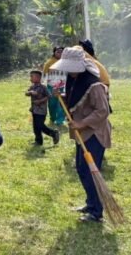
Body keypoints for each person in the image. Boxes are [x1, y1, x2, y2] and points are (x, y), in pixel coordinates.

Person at [51, 46, 111, 223]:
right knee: (81, 169)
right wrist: (59, 95)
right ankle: (90, 203)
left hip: (94, 133)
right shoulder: (73, 80)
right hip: (82, 134)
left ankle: (96, 211)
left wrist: (82, 123)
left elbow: (103, 111)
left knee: (90, 171)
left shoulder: (94, 85)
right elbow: (70, 103)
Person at [26, 70, 60, 146]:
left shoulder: (43, 87)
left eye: (32, 76)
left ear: (38, 78)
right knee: (35, 127)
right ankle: (38, 141)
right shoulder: (32, 87)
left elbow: (49, 96)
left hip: (41, 111)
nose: (30, 78)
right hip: (34, 110)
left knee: (40, 125)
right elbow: (26, 93)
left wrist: (40, 101)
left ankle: (53, 133)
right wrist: (30, 92)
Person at [43, 46, 65, 127]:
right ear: (54, 52)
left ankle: (60, 120)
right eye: (58, 51)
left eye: (62, 52)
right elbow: (44, 75)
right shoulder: (49, 63)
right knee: (52, 103)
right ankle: (53, 118)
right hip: (51, 86)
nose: (60, 53)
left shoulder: (66, 62)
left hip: (62, 86)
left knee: (61, 103)